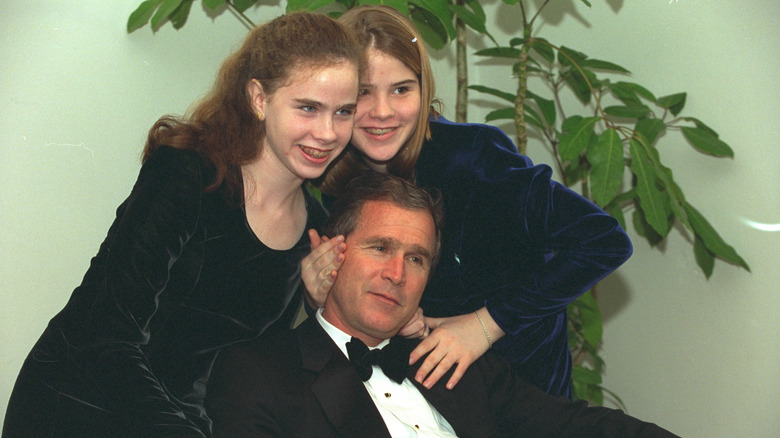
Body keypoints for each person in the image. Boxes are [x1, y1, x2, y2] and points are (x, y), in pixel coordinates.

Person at [2, 11, 362, 438]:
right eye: (308, 108)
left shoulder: (317, 233)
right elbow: (106, 336)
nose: (327, 132)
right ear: (259, 99)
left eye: (344, 112)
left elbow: (249, 378)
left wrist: (316, 304)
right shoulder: (188, 174)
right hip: (75, 404)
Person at [302, 5, 634, 399]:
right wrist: (318, 295)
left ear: (424, 89)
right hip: (421, 399)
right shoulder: (332, 178)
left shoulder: (473, 157)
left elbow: (603, 240)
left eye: (402, 89)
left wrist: (484, 325)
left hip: (524, 394)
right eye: (362, 93)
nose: (382, 111)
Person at [207, 172, 676, 438]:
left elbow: (577, 426)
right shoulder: (260, 371)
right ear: (333, 250)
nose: (397, 274)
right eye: (379, 248)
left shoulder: (459, 365)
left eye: (417, 259)